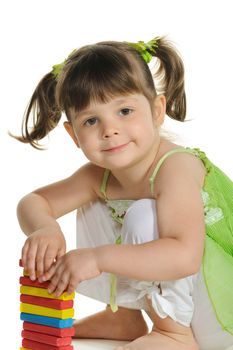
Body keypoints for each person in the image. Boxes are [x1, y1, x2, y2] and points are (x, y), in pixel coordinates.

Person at [14, 37, 233, 350]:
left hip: (221, 304)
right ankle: (123, 317)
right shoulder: (98, 176)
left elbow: (185, 256)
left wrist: (99, 258)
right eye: (91, 120)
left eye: (125, 111)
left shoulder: (176, 168)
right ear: (73, 134)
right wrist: (46, 228)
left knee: (144, 213)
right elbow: (35, 201)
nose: (109, 130)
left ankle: (174, 334)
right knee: (92, 204)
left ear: (158, 110)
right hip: (187, 294)